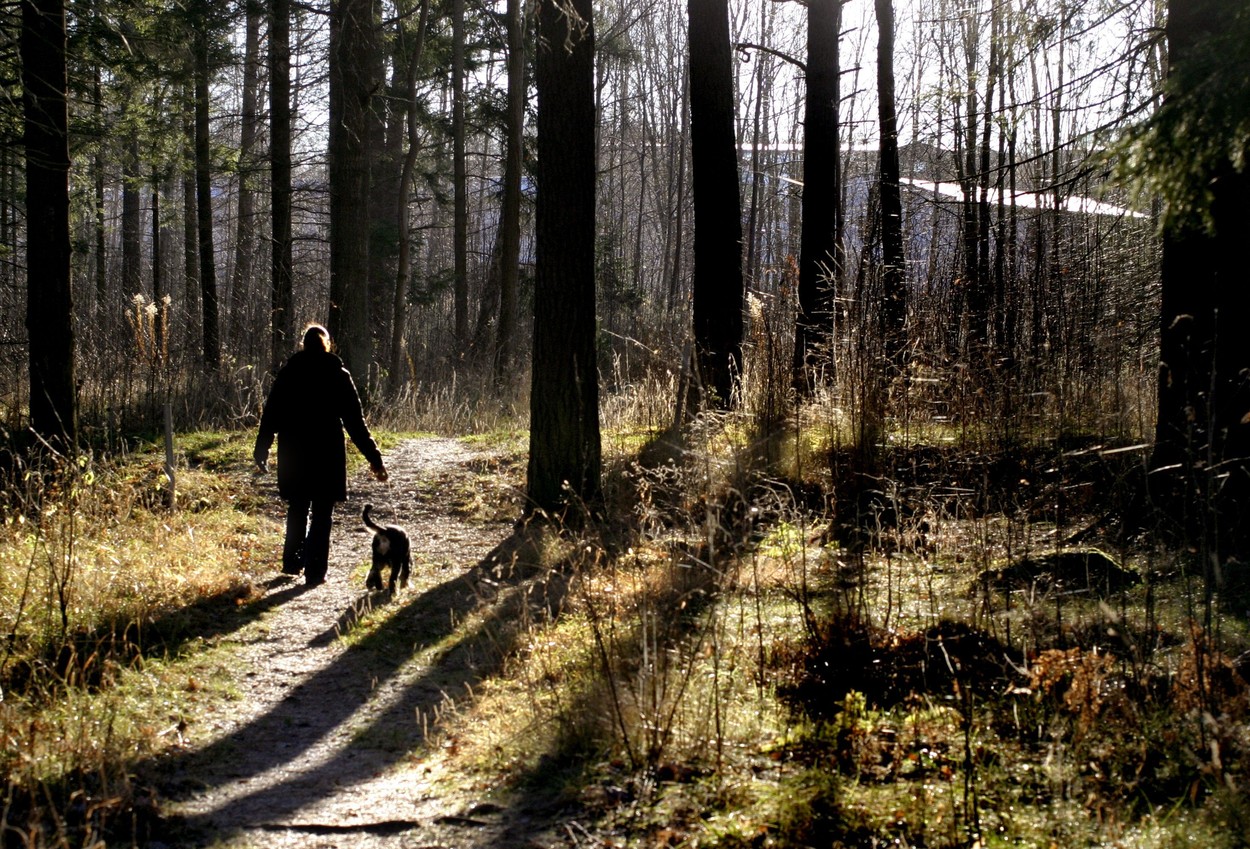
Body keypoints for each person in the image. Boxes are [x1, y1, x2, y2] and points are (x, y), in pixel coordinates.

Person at [253, 324, 388, 586]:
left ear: (304, 345)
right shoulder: (338, 374)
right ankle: (315, 572)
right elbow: (355, 422)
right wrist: (375, 459)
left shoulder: (289, 373)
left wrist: (262, 448)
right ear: (326, 345)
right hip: (327, 452)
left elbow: (271, 415)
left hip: (294, 451)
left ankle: (293, 563)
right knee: (322, 513)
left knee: (298, 507)